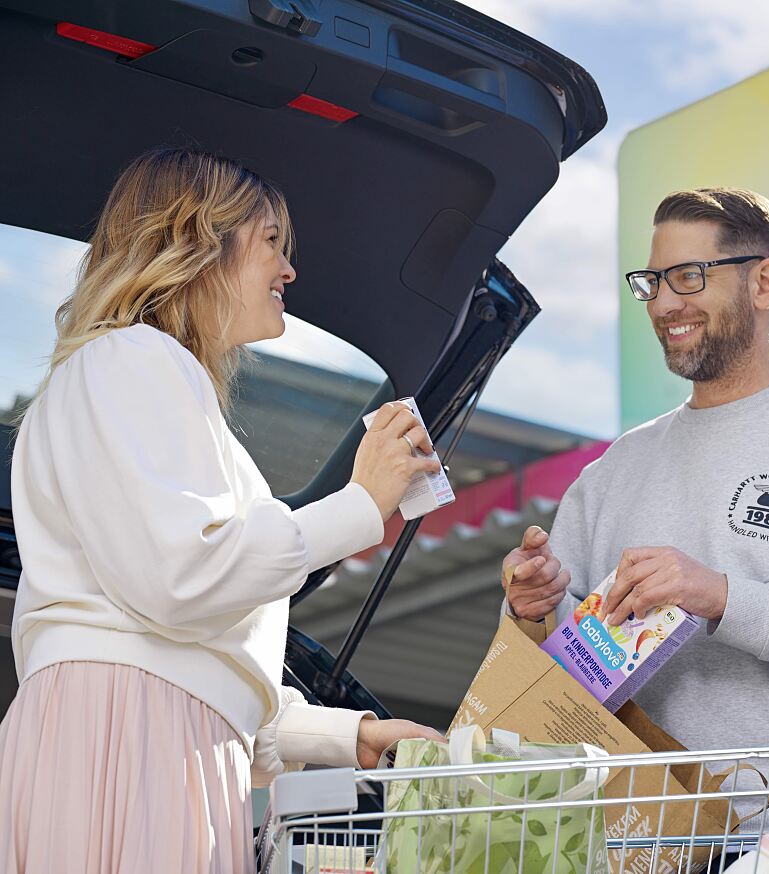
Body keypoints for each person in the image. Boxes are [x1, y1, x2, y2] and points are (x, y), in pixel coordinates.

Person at [0, 149, 444, 872]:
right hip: (129, 739)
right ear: (198, 242)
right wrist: (359, 503)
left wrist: (349, 737)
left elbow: (204, 660)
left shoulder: (140, 376)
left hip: (144, 738)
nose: (289, 270)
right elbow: (182, 582)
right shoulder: (133, 357)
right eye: (272, 241)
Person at [502, 187, 769, 833]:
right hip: (634, 838)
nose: (664, 302)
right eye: (651, 281)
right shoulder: (610, 474)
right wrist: (531, 609)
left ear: (765, 282)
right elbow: (558, 682)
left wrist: (724, 597)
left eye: (688, 276)